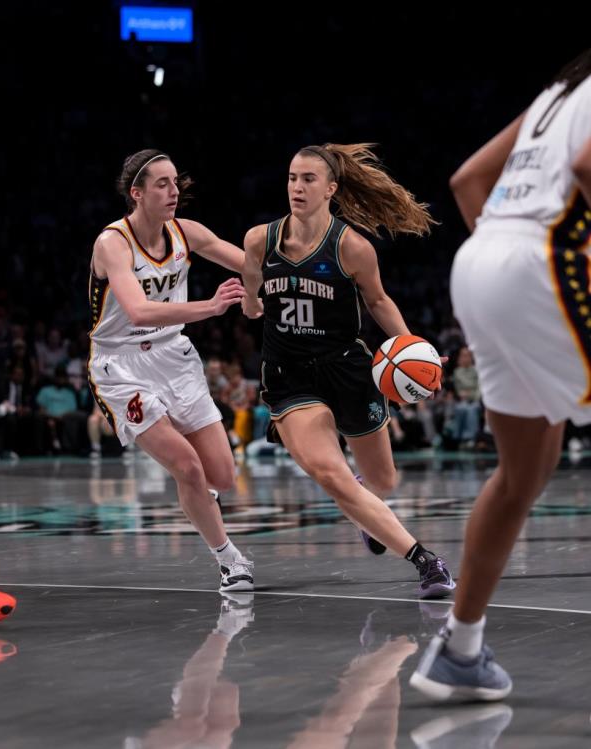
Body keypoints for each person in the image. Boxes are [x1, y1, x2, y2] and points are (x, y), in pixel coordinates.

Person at [410, 50, 591, 700]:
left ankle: (460, 649)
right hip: (545, 263)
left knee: (525, 474)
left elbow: (465, 181)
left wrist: (512, 268)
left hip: (481, 260)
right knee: (522, 475)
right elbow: (585, 165)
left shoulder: (555, 95)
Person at [242, 142, 455, 598]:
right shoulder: (260, 239)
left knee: (382, 482)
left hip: (347, 370)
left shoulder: (352, 247)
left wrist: (417, 350)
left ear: (331, 189)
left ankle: (367, 503)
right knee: (329, 472)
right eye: (292, 178)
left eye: (308, 179)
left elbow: (378, 302)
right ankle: (427, 562)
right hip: (289, 375)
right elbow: (251, 282)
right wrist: (248, 302)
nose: (297, 187)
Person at [87, 148, 253, 592]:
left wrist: (310, 269)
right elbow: (139, 311)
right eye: (162, 184)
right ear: (136, 193)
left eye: (175, 182)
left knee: (221, 476)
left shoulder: (187, 233)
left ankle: (201, 502)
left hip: (173, 356)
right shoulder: (112, 243)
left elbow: (252, 264)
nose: (173, 190)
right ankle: (229, 561)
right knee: (189, 468)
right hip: (120, 365)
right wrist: (212, 307)